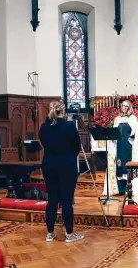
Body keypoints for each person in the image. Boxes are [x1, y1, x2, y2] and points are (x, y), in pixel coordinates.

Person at [39, 100, 84, 243]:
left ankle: (50, 233)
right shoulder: (69, 126)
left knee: (52, 199)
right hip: (66, 166)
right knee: (66, 200)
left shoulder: (44, 127)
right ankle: (69, 234)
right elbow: (77, 147)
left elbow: (44, 144)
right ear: (63, 111)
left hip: (49, 166)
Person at [104, 100, 138, 197]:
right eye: (123, 106)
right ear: (120, 107)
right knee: (119, 166)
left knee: (128, 166)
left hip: (128, 145)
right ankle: (120, 189)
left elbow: (136, 132)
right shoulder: (117, 119)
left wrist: (133, 135)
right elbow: (114, 132)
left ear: (129, 107)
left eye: (126, 106)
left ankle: (129, 189)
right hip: (118, 146)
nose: (124, 108)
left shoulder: (133, 119)